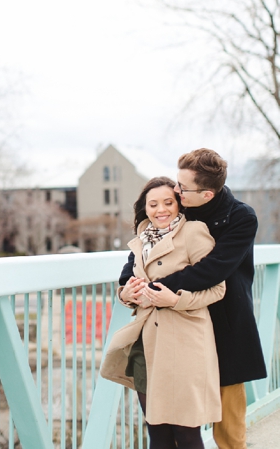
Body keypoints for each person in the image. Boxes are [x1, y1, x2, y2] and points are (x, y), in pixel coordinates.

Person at [118, 149, 266, 449]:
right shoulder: (179, 209)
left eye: (182, 188)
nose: (175, 191)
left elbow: (213, 270)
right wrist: (130, 288)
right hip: (174, 326)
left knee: (227, 418)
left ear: (207, 194)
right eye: (177, 183)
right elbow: (143, 255)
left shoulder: (240, 217)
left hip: (225, 318)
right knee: (165, 422)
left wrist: (153, 290)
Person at [101, 176, 224, 448]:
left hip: (185, 343)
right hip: (147, 344)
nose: (161, 210)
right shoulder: (140, 241)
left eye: (168, 202)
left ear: (179, 205)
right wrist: (126, 295)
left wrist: (175, 299)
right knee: (157, 433)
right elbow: (127, 285)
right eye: (153, 204)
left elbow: (218, 289)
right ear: (144, 208)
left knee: (187, 433)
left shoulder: (194, 232)